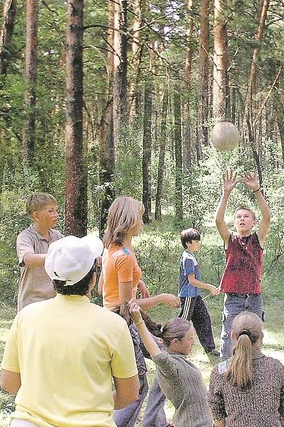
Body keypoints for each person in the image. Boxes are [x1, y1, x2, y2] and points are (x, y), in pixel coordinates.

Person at [0, 235, 139, 427]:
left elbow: (9, 382)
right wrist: (91, 407)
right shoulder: (114, 325)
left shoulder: (26, 317)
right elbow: (129, 393)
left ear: (52, 277)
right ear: (93, 279)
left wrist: (49, 404)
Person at [101, 196, 179, 427]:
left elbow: (105, 285)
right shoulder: (122, 256)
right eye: (140, 218)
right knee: (136, 385)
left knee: (165, 355)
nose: (143, 222)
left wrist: (138, 282)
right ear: (129, 220)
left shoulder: (115, 248)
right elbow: (126, 304)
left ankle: (156, 420)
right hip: (122, 320)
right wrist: (161, 298)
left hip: (121, 318)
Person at [215, 170, 272, 360]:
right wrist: (226, 193)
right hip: (233, 298)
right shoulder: (229, 239)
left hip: (254, 297)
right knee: (229, 336)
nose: (241, 219)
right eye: (238, 216)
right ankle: (225, 372)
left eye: (246, 216)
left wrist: (256, 189)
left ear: (253, 222)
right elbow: (218, 220)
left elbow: (267, 217)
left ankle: (255, 372)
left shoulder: (258, 239)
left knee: (255, 337)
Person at [129, 304, 214, 427]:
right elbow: (156, 354)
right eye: (190, 339)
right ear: (175, 343)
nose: (193, 342)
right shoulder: (171, 366)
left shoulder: (178, 361)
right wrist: (139, 322)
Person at [209, 311, 284, 426]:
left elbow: (218, 419)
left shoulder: (219, 372)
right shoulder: (276, 368)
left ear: (233, 335)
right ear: (261, 336)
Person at [15, 192, 64, 311]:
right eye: (50, 211)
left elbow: (72, 251)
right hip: (32, 303)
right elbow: (28, 259)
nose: (56, 215)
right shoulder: (25, 237)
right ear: (36, 216)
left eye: (56, 210)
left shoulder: (57, 236)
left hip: (55, 302)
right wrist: (58, 256)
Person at [178, 228, 221, 357]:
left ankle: (209, 348)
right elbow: (192, 281)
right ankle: (175, 349)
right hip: (188, 296)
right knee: (182, 323)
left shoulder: (192, 256)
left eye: (198, 241)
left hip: (195, 296)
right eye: (196, 241)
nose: (198, 243)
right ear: (188, 243)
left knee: (203, 319)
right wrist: (210, 287)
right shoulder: (187, 258)